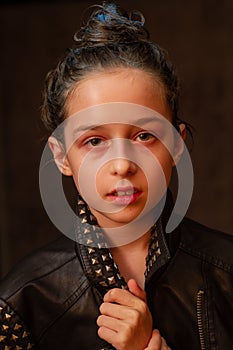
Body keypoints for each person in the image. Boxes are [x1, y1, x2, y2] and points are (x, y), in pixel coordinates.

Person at [0, 2, 232, 349]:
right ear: (62, 157)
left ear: (176, 147)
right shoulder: (23, 301)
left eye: (144, 136)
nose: (122, 164)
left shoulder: (226, 271)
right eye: (94, 141)